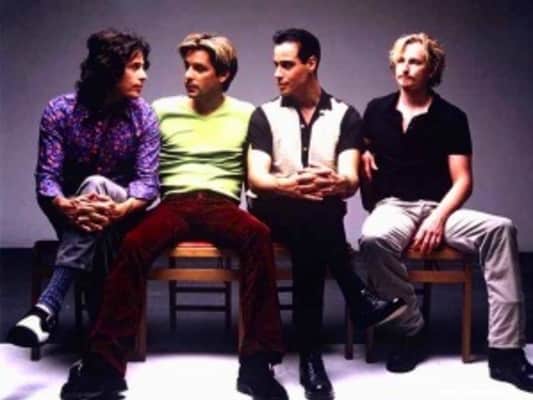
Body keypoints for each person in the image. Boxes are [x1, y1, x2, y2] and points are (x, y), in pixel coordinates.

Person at [59, 33, 289, 400]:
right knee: (131, 244)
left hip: (221, 204)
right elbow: (135, 160)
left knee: (258, 236)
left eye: (199, 68)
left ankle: (257, 367)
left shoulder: (247, 114)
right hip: (174, 203)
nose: (188, 75)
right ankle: (104, 368)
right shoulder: (161, 109)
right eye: (187, 67)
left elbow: (269, 159)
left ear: (224, 74)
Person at [359, 32, 533, 392]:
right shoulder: (376, 110)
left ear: (432, 69)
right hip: (393, 206)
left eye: (415, 61)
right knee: (372, 238)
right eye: (401, 61)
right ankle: (411, 330)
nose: (405, 68)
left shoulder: (451, 117)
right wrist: (362, 154)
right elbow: (357, 155)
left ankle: (506, 352)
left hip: (442, 208)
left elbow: (463, 180)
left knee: (501, 228)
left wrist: (438, 218)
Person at [247, 28, 407, 400]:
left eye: (287, 65)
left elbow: (350, 179)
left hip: (317, 219)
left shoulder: (345, 115)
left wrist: (334, 182)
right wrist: (291, 185)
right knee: (315, 220)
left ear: (311, 63)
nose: (277, 73)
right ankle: (350, 308)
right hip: (272, 213)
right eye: (275, 65)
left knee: (312, 239)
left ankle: (311, 358)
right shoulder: (264, 115)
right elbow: (257, 178)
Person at [7, 29, 159, 348]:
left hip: (124, 214)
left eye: (144, 67)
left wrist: (119, 210)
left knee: (96, 184)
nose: (144, 75)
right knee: (93, 216)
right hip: (71, 215)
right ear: (109, 69)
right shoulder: (60, 111)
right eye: (135, 66)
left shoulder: (143, 115)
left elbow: (147, 184)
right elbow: (47, 177)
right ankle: (99, 346)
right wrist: (66, 205)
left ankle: (46, 308)